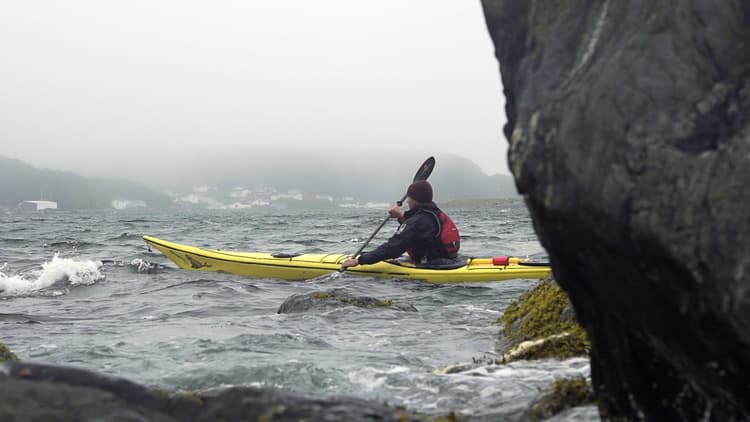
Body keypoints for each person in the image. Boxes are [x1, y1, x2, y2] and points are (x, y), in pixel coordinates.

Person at [341, 180, 461, 269]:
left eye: (409, 198)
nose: (407, 201)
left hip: (433, 266)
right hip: (451, 261)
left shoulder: (418, 220)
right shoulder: (433, 213)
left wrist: (359, 261)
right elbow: (417, 233)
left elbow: (392, 248)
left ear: (413, 199)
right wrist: (400, 217)